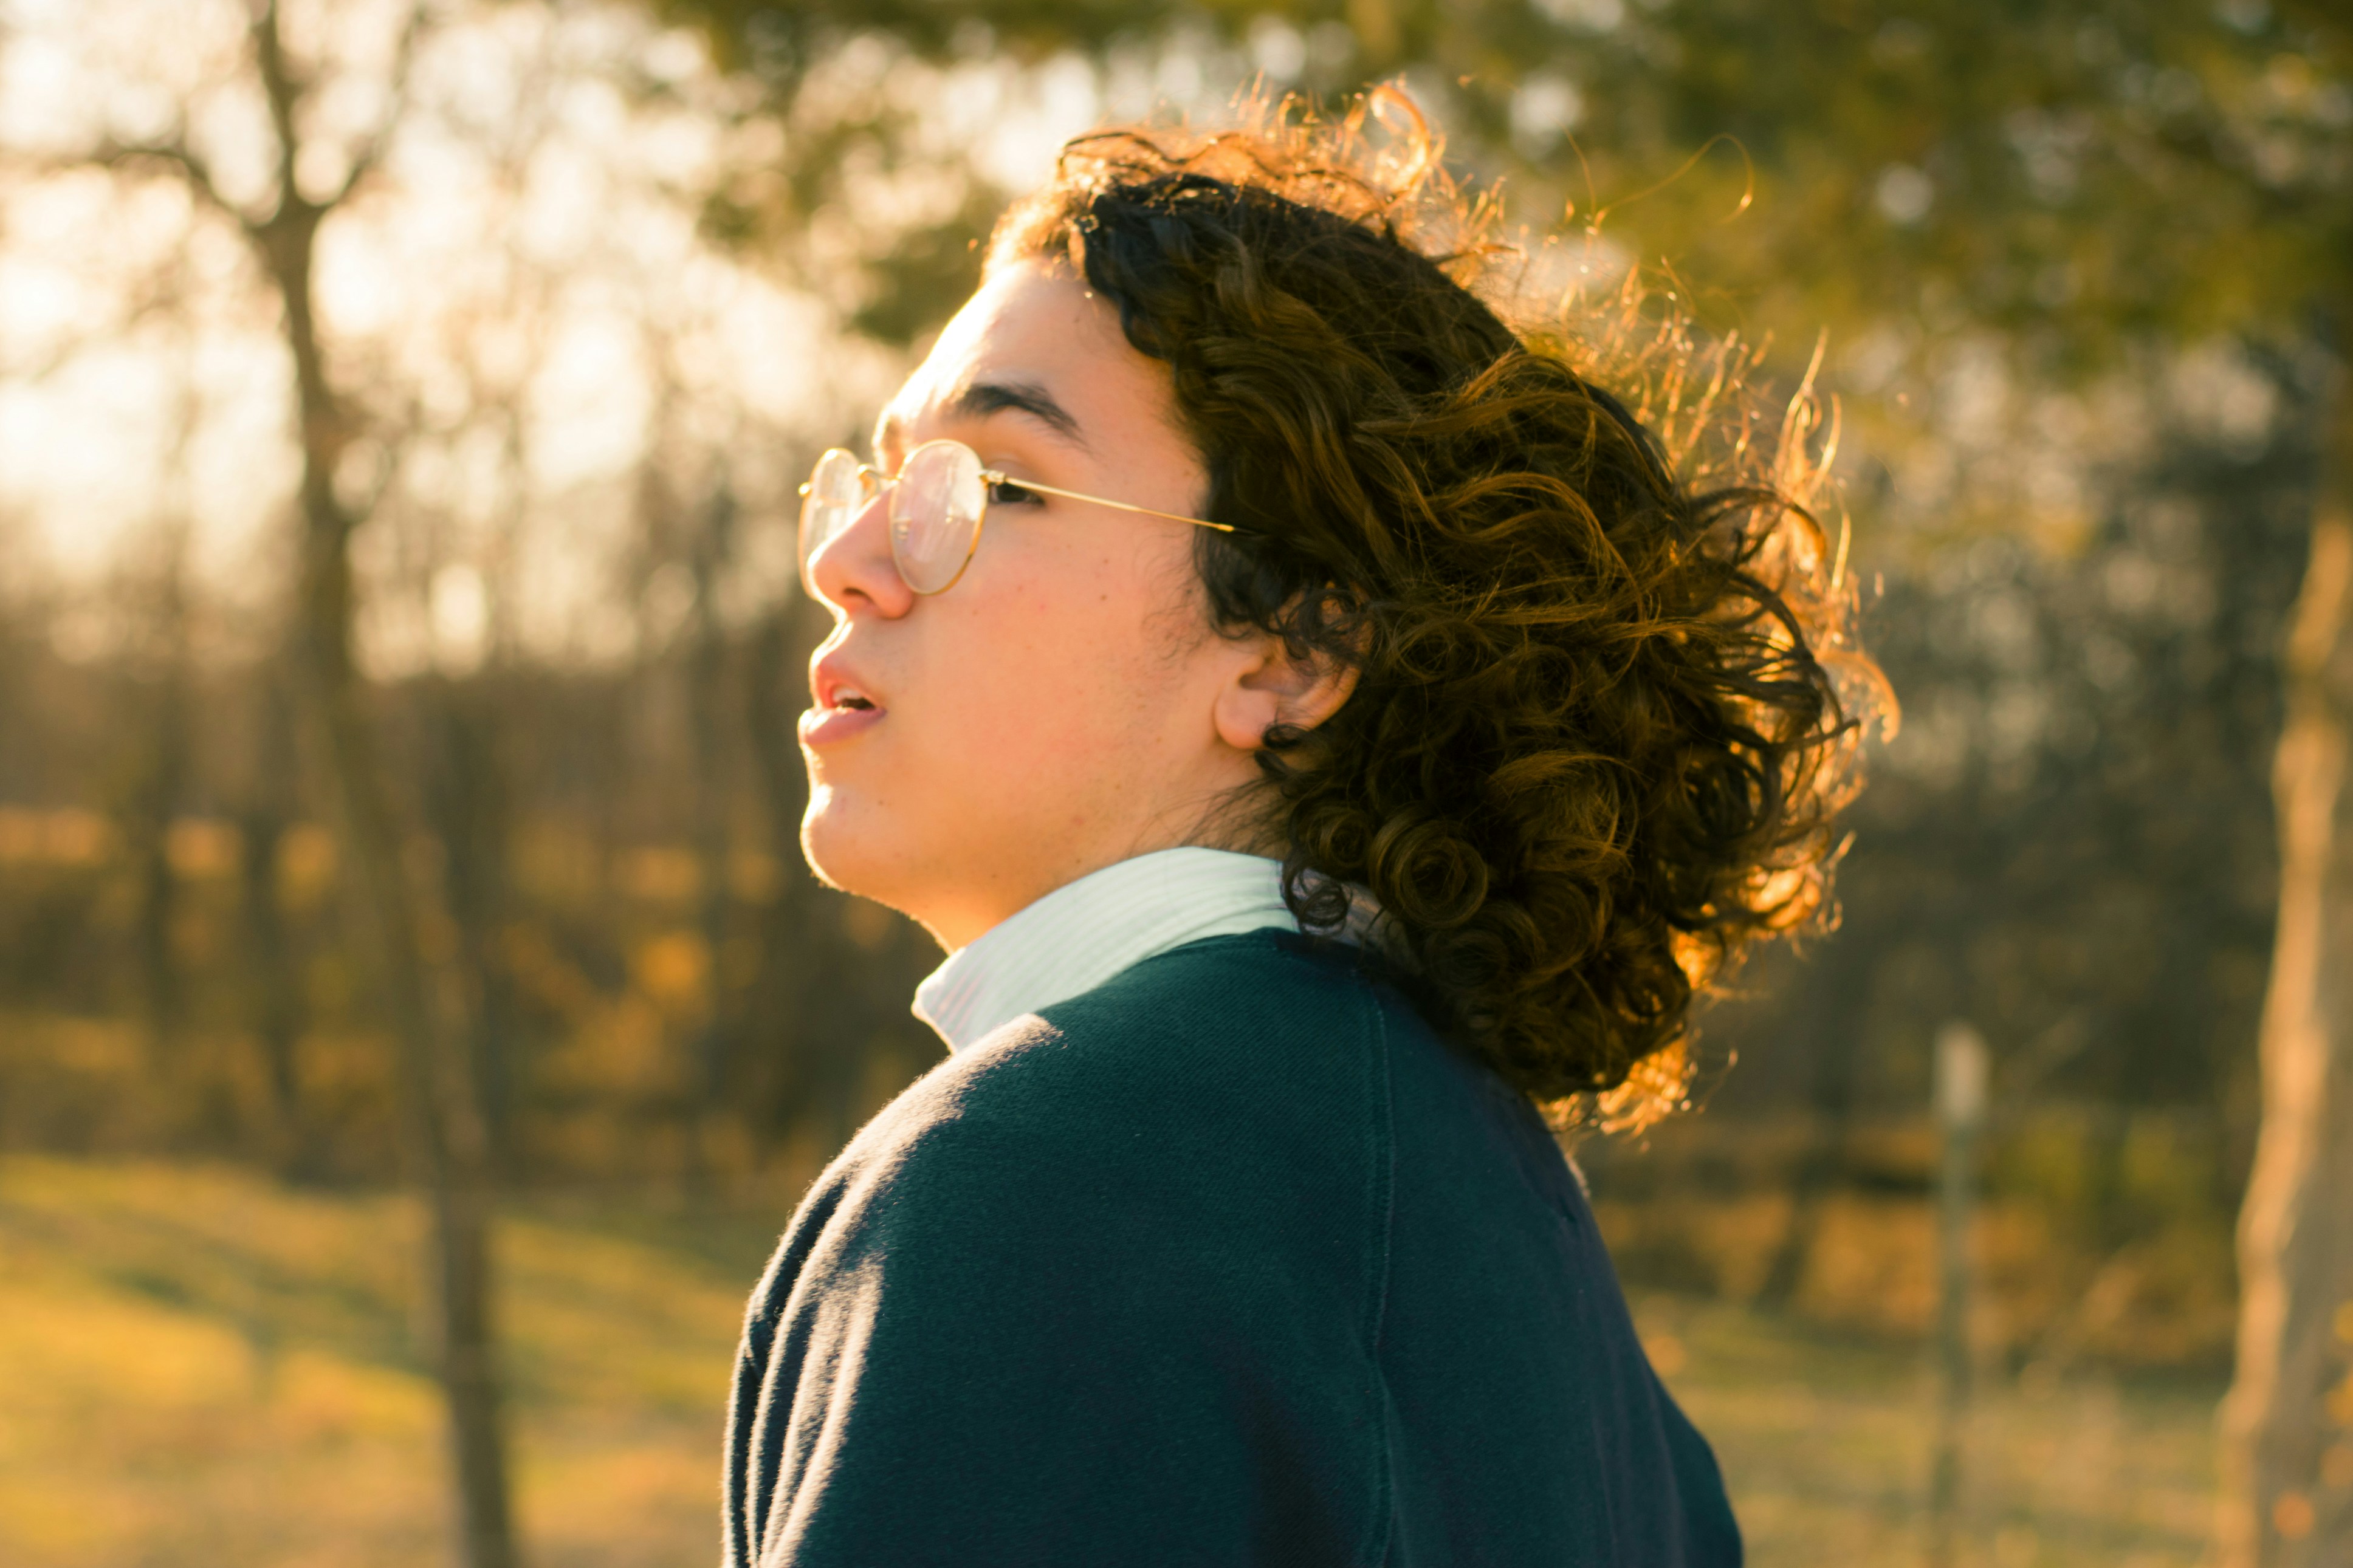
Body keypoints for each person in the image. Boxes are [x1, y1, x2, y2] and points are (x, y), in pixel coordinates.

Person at [726, 91, 1872, 1567]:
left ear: (1290, 651)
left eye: (990, 484)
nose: (850, 558)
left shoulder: (1036, 1192)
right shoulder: (1554, 1293)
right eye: (878, 477)